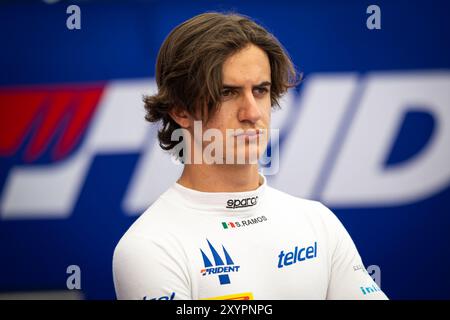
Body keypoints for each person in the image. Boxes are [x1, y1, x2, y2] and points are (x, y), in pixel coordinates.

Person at [113, 12, 388, 300]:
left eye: (260, 90)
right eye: (227, 93)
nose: (252, 113)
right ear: (181, 110)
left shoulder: (318, 222)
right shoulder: (149, 246)